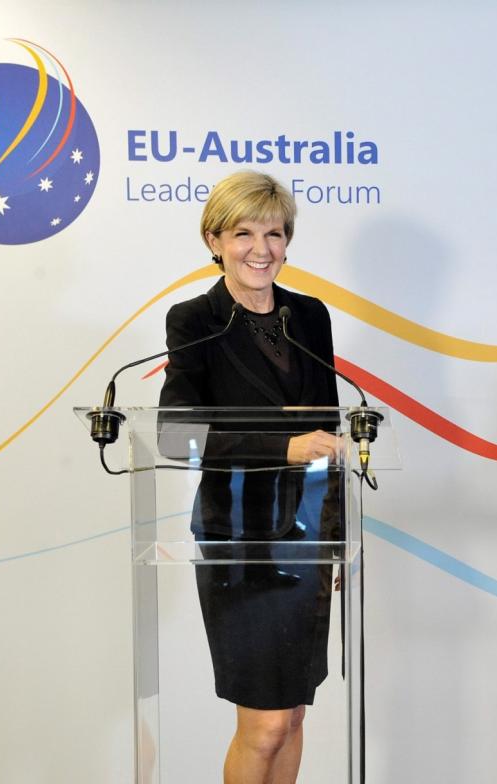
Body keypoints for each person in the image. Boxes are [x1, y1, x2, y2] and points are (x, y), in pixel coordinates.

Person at [159, 170, 342, 784]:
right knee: (261, 723)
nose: (261, 248)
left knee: (291, 717)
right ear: (214, 240)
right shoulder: (195, 322)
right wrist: (282, 444)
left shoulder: (309, 317)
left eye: (275, 232)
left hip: (308, 536)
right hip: (239, 540)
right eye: (244, 233)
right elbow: (176, 433)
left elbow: (329, 431)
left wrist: (336, 539)